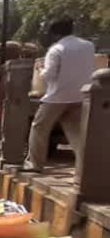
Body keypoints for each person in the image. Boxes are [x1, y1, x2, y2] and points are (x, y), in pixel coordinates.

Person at [23, 17, 95, 172]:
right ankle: (85, 168)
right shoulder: (89, 46)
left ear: (55, 34)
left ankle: (35, 164)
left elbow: (49, 76)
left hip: (56, 97)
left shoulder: (56, 49)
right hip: (80, 96)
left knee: (39, 128)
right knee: (76, 134)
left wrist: (40, 69)